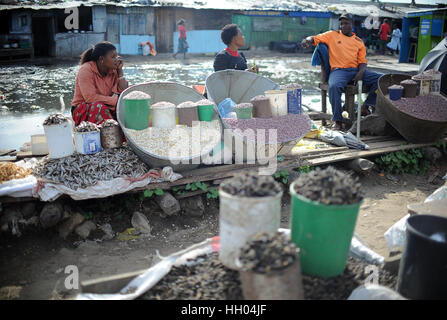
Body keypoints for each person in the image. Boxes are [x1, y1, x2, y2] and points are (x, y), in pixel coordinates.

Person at [301, 13, 382, 130]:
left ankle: (366, 106)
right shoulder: (332, 35)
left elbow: (362, 62)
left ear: (352, 24)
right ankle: (338, 120)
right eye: (341, 23)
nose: (343, 26)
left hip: (355, 71)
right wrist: (307, 40)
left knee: (381, 79)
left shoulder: (358, 41)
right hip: (339, 71)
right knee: (334, 86)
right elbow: (315, 38)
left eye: (346, 23)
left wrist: (360, 73)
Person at [71, 41, 128, 126]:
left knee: (128, 105)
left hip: (107, 105)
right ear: (101, 59)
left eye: (117, 56)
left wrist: (120, 72)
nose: (117, 59)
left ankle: (124, 137)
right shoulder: (86, 69)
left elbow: (123, 91)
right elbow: (90, 98)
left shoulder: (113, 69)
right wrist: (115, 102)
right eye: (113, 57)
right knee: (99, 107)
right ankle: (111, 136)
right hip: (83, 109)